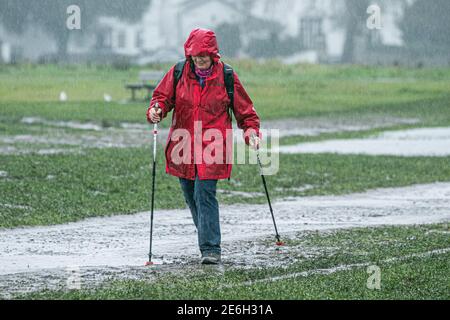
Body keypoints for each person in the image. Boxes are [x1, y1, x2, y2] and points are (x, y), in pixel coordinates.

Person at [146, 28, 261, 265]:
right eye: (195, 55)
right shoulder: (179, 71)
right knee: (191, 195)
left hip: (213, 145)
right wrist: (156, 110)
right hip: (184, 144)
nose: (199, 59)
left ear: (213, 55)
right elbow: (162, 98)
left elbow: (245, 112)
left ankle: (210, 249)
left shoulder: (227, 75)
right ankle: (206, 233)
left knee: (204, 193)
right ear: (189, 54)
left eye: (204, 55)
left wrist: (252, 134)